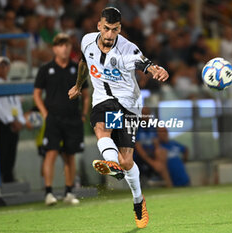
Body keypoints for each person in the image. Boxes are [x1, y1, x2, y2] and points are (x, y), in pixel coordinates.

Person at [68, 7, 169, 228]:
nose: (110, 35)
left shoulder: (128, 49)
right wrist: (78, 85)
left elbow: (145, 63)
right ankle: (111, 164)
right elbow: (84, 62)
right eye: (106, 29)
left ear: (119, 28)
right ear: (99, 26)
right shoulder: (86, 41)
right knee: (102, 129)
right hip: (103, 100)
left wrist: (157, 70)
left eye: (114, 30)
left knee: (127, 161)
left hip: (129, 105)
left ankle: (138, 200)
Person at [34, 33, 89, 206]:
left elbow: (86, 95)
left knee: (70, 155)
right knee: (50, 153)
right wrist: (44, 113)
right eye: (60, 45)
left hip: (72, 118)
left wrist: (83, 114)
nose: (64, 48)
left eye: (66, 45)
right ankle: (49, 192)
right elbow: (36, 94)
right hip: (54, 118)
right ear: (54, 48)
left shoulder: (77, 68)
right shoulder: (45, 69)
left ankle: (69, 191)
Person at [0, 56, 26, 183]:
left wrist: (20, 120)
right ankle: (2, 178)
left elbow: (16, 104)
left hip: (14, 123)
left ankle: (8, 177)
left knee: (11, 152)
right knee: (3, 152)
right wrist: (12, 121)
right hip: (3, 124)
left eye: (6, 65)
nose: (4, 68)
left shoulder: (11, 83)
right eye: (1, 66)